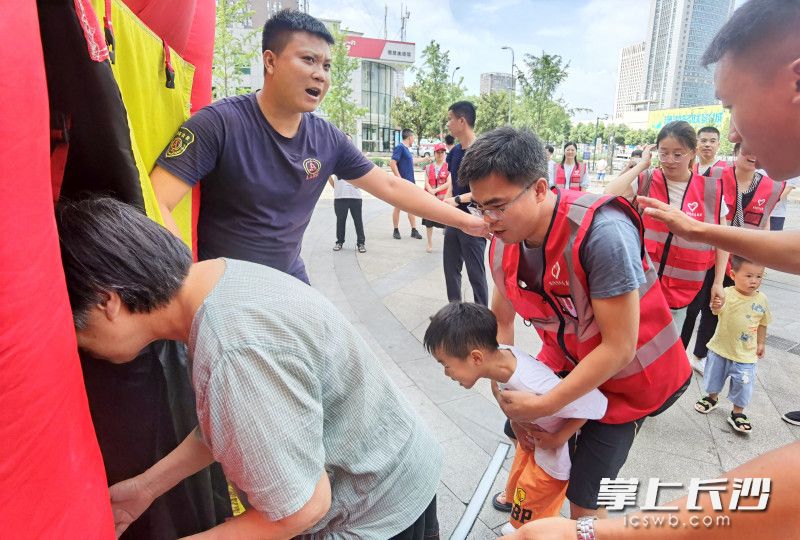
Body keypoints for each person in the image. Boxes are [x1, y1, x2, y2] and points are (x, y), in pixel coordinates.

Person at [56, 197, 443, 540]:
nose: (83, 348)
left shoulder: (232, 347)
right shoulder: (217, 281)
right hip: (396, 467)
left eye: (77, 333)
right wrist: (145, 488)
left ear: (106, 302)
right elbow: (240, 423)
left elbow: (303, 509)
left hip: (378, 509)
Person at [150, 10, 483, 285]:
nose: (320, 75)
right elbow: (157, 198)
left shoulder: (328, 139)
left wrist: (462, 221)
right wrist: (188, 282)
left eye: (326, 66)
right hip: (224, 289)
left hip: (292, 283)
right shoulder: (218, 123)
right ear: (270, 61)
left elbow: (392, 186)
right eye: (308, 60)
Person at [459, 127, 691, 519]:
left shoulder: (601, 235)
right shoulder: (501, 241)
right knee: (525, 435)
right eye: (480, 207)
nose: (489, 220)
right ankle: (529, 494)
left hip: (631, 382)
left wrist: (545, 403)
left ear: (538, 188)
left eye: (497, 205)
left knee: (585, 500)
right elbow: (502, 324)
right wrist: (507, 391)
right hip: (569, 363)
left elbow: (619, 348)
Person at [423, 302, 607, 535]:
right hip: (534, 439)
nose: (446, 373)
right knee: (521, 479)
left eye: (446, 365)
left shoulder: (531, 383)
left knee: (534, 498)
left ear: (476, 358)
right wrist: (515, 422)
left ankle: (528, 529)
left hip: (555, 456)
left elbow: (595, 404)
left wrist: (559, 437)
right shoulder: (501, 357)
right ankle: (519, 517)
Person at [604, 121, 729, 330]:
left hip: (681, 294)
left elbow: (721, 240)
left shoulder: (711, 192)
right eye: (664, 153)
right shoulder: (648, 179)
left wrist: (718, 282)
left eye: (678, 154)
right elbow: (608, 194)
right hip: (639, 286)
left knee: (665, 352)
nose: (670, 161)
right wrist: (643, 165)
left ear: (692, 152)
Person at [683, 144, 783, 373]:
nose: (752, 155)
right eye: (746, 150)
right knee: (695, 306)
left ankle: (702, 355)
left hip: (742, 262)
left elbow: (764, 222)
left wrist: (761, 259)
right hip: (711, 255)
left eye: (757, 151)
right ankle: (680, 354)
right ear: (736, 152)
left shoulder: (770, 186)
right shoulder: (715, 176)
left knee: (722, 308)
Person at [694, 256, 770, 433]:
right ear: (733, 275)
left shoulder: (762, 300)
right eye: (749, 276)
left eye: (759, 277)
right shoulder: (727, 293)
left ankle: (738, 412)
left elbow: (763, 323)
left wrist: (761, 342)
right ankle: (712, 397)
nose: (754, 281)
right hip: (721, 348)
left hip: (746, 354)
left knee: (743, 383)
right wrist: (717, 304)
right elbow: (716, 311)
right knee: (714, 375)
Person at [442, 101, 489, 306]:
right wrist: (448, 199)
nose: (448, 124)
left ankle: (482, 316)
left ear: (462, 121)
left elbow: (485, 191)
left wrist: (457, 200)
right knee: (450, 269)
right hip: (454, 218)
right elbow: (453, 179)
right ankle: (454, 311)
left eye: (450, 119)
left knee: (475, 274)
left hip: (474, 218)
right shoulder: (454, 152)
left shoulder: (482, 152)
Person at [390, 128, 430, 240]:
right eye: (413, 137)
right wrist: (399, 179)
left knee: (411, 207)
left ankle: (413, 230)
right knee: (398, 206)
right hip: (402, 184)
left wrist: (424, 159)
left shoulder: (406, 150)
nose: (414, 140)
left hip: (410, 183)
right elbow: (392, 163)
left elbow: (411, 161)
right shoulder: (400, 148)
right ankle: (396, 230)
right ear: (409, 137)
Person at [422, 143, 451, 253]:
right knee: (429, 223)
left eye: (442, 152)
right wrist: (431, 191)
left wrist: (435, 191)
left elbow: (449, 183)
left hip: (443, 200)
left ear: (444, 154)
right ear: (434, 153)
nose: (440, 155)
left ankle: (447, 245)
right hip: (430, 200)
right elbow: (426, 182)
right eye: (438, 152)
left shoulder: (448, 166)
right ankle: (429, 243)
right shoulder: (429, 167)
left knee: (446, 224)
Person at [328, 172, 365, 253]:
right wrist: (334, 185)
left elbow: (364, 177)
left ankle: (361, 243)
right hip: (340, 198)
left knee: (358, 221)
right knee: (340, 221)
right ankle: (339, 242)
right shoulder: (336, 164)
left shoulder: (356, 163)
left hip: (355, 197)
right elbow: (330, 177)